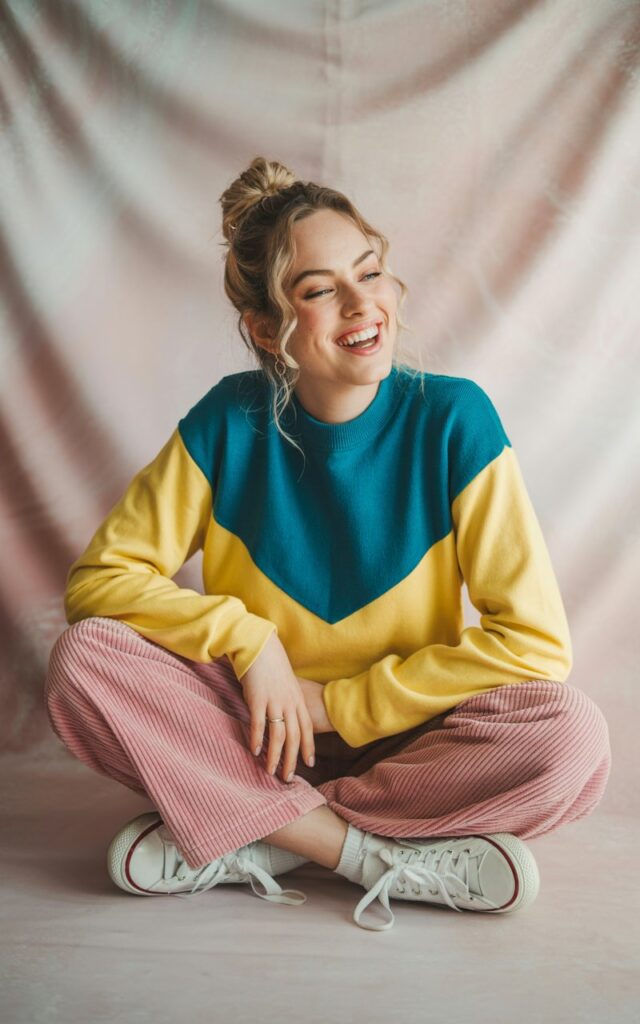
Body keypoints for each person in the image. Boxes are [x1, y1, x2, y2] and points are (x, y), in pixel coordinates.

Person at [44, 156, 611, 932]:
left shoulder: (455, 420)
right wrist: (250, 643)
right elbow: (100, 580)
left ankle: (255, 831)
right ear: (267, 329)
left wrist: (336, 704)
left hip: (414, 746)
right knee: (84, 659)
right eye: (318, 290)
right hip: (256, 735)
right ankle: (370, 857)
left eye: (369, 272)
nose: (360, 303)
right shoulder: (227, 422)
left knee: (571, 738)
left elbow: (536, 645)